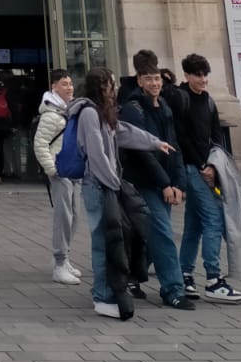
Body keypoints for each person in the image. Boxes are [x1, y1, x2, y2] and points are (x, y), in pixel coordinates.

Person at [72, 66, 174, 321]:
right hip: (98, 185)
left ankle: (108, 292)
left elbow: (124, 132)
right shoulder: (88, 113)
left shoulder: (103, 113)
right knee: (102, 241)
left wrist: (154, 142)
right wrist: (113, 183)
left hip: (107, 184)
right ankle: (102, 295)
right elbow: (96, 153)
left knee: (113, 239)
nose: (114, 88)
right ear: (101, 86)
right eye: (111, 84)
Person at [161, 53, 241, 303]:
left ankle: (185, 274)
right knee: (213, 219)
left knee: (195, 224)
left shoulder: (208, 101)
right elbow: (181, 137)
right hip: (191, 167)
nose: (203, 79)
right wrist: (201, 165)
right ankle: (213, 278)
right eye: (198, 75)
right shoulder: (180, 98)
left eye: (205, 74)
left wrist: (215, 163)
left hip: (207, 165)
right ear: (187, 75)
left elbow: (217, 134)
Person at [119, 60, 195, 310]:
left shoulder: (164, 106)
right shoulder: (132, 109)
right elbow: (142, 152)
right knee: (162, 233)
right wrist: (164, 183)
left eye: (157, 79)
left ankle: (130, 275)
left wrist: (179, 183)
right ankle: (173, 289)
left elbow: (173, 145)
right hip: (144, 181)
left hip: (166, 181)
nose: (154, 83)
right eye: (149, 79)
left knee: (151, 234)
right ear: (139, 81)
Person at [33, 68, 82, 285]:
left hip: (74, 170)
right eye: (64, 83)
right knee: (64, 217)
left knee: (74, 216)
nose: (69, 87)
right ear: (54, 87)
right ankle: (60, 261)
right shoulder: (51, 115)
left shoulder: (70, 110)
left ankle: (65, 257)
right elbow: (40, 144)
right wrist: (51, 169)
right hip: (61, 170)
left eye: (70, 83)